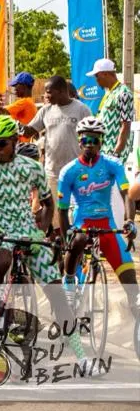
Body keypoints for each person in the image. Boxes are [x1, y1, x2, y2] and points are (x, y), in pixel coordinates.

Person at [0, 115, 95, 370]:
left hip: (27, 230)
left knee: (57, 296)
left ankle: (82, 357)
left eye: (0, 144)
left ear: (14, 140)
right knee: (3, 259)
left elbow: (48, 204)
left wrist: (41, 230)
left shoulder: (32, 168)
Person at [58, 118, 138, 314]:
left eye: (95, 140)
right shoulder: (69, 171)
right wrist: (66, 233)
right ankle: (69, 280)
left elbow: (126, 194)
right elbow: (61, 209)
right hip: (81, 225)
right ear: (79, 141)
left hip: (107, 226)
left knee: (133, 287)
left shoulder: (113, 165)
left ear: (101, 141)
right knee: (79, 237)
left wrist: (129, 220)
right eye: (86, 140)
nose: (90, 145)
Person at [21, 76, 91, 232]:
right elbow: (29, 131)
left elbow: (92, 137)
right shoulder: (46, 110)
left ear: (61, 91)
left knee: (76, 213)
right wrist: (10, 120)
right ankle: (58, 248)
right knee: (54, 213)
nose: (46, 96)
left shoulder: (81, 109)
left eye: (49, 92)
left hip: (77, 171)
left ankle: (78, 247)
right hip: (52, 172)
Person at [88, 58, 135, 161]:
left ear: (105, 74)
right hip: (104, 149)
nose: (96, 80)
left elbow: (126, 125)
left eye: (97, 76)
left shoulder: (123, 93)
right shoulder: (110, 93)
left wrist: (116, 153)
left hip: (113, 151)